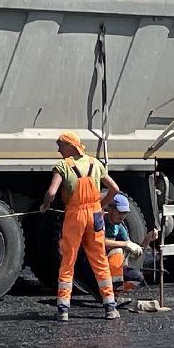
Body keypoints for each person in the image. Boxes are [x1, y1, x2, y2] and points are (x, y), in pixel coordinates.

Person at [39, 131, 120, 321]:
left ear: (71, 146)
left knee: (68, 260)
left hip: (75, 216)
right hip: (95, 215)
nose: (59, 150)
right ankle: (110, 307)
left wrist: (45, 206)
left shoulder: (63, 166)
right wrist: (101, 205)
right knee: (99, 260)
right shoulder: (95, 163)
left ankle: (63, 310)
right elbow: (115, 189)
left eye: (60, 145)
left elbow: (51, 193)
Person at [102, 192, 149, 303]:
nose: (122, 216)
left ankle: (113, 292)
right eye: (119, 212)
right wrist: (125, 244)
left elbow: (134, 253)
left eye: (125, 213)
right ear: (110, 209)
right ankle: (115, 296)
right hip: (95, 266)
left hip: (110, 269)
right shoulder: (101, 221)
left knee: (137, 278)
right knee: (117, 251)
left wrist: (147, 239)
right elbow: (99, 243)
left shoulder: (120, 227)